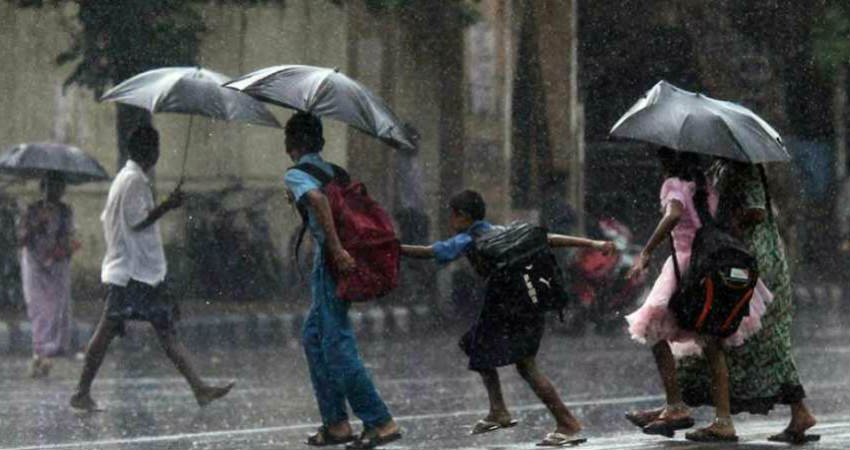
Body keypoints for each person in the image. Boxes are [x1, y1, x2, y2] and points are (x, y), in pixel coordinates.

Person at [400, 189, 615, 447]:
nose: (450, 221)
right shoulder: (501, 230)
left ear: (463, 216)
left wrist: (394, 248)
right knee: (476, 346)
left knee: (525, 366)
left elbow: (430, 251)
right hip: (527, 303)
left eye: (452, 216)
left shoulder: (468, 239)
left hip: (507, 304)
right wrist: (591, 243)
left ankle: (566, 423)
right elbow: (546, 238)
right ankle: (498, 410)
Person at [69, 125, 234, 411]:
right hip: (131, 273)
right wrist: (168, 205)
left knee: (164, 330)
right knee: (108, 330)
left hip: (139, 272)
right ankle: (81, 392)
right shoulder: (133, 180)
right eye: (156, 148)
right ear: (150, 151)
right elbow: (137, 221)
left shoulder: (129, 178)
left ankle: (199, 388)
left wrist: (165, 205)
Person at [624, 148, 771, 442]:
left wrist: (647, 251)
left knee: (653, 331)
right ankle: (722, 419)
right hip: (712, 261)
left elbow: (675, 213)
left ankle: (676, 405)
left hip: (687, 265)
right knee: (712, 341)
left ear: (665, 160)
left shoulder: (673, 185)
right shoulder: (706, 185)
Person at [675, 159, 818, 445]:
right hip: (742, 256)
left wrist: (731, 226)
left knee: (733, 334)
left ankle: (722, 418)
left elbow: (756, 210)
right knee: (760, 340)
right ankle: (797, 411)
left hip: (752, 259)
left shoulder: (745, 169)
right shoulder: (724, 167)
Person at [283, 112, 400, 450]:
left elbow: (319, 201)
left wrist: (334, 249)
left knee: (335, 344)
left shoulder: (297, 173)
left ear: (292, 144)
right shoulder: (334, 171)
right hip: (337, 257)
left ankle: (380, 421)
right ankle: (336, 424)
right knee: (314, 338)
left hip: (331, 261)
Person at [18, 173, 78, 378]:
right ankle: (40, 352)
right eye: (51, 187)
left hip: (56, 265)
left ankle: (48, 353)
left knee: (56, 308)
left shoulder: (65, 211)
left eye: (59, 187)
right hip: (35, 265)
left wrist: (62, 250)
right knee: (39, 307)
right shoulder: (31, 209)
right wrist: (37, 224)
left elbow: (69, 236)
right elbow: (22, 237)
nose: (56, 192)